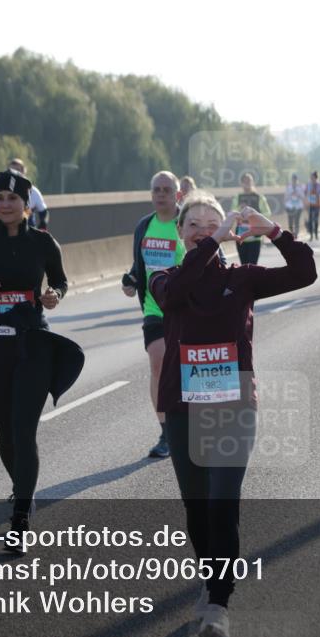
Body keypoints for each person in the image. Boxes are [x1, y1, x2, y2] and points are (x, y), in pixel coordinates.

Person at [149, 192, 317, 637]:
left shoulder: (243, 279)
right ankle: (210, 575)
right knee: (197, 507)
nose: (204, 231)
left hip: (234, 407)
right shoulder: (165, 279)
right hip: (183, 409)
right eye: (195, 226)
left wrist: (275, 232)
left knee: (223, 505)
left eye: (213, 224)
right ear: (180, 234)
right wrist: (214, 242)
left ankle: (219, 604)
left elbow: (305, 272)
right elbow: (179, 292)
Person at [0, 169, 83, 550]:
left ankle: (21, 515)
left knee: (24, 429)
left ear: (27, 206)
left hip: (33, 344)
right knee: (5, 431)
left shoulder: (43, 243)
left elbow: (61, 281)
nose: (5, 205)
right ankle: (21, 487)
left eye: (13, 199)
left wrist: (54, 294)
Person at [123, 171, 186, 459]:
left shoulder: (187, 224)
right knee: (158, 364)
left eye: (166, 189)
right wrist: (131, 279)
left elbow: (210, 258)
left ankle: (191, 423)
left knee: (187, 369)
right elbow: (139, 266)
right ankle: (166, 433)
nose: (161, 194)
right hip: (154, 307)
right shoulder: (143, 226)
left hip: (186, 309)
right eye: (156, 190)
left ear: (178, 195)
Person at [230, 173, 272, 265]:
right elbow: (232, 213)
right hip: (241, 236)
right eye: (244, 181)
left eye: (249, 180)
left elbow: (267, 213)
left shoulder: (259, 197)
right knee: (243, 266)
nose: (247, 183)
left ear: (252, 182)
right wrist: (239, 211)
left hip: (255, 237)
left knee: (253, 266)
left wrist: (255, 215)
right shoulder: (238, 197)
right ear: (241, 183)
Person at [8, 159, 49, 231]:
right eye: (12, 170)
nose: (14, 173)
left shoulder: (33, 192)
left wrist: (43, 224)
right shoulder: (3, 192)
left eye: (17, 170)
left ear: (24, 171)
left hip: (29, 233)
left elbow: (44, 212)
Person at [303, 171, 320, 241]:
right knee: (310, 219)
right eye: (311, 177)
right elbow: (305, 194)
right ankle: (311, 235)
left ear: (316, 177)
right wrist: (305, 204)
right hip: (310, 204)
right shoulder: (308, 185)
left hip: (317, 204)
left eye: (313, 177)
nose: (311, 178)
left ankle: (316, 234)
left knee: (315, 220)